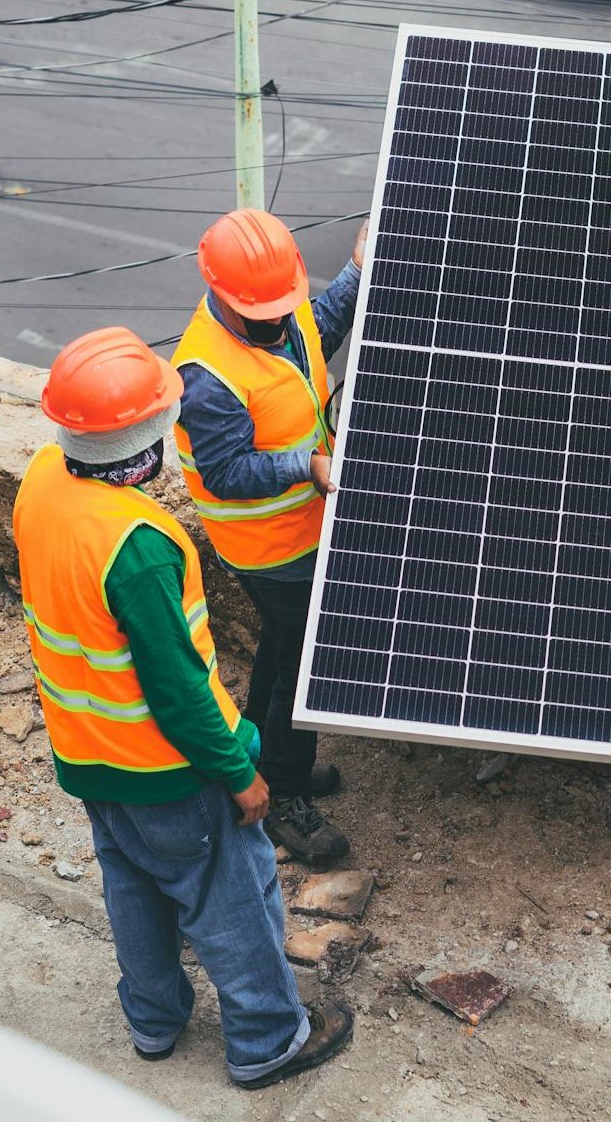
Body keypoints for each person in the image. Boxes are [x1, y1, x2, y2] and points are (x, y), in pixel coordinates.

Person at [12, 326, 352, 1087]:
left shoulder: (40, 482)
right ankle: (268, 1038)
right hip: (169, 772)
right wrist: (240, 773)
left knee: (133, 888)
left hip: (88, 755)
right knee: (232, 901)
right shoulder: (138, 543)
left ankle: (154, 1021)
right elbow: (177, 689)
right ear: (150, 437)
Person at [172, 208, 365, 869]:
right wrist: (304, 467)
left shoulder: (279, 318)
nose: (279, 316)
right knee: (297, 664)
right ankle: (280, 791)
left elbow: (318, 332)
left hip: (307, 528)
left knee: (285, 657)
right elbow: (225, 474)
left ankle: (269, 757)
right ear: (224, 296)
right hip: (271, 549)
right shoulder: (207, 376)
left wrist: (355, 273)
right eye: (266, 308)